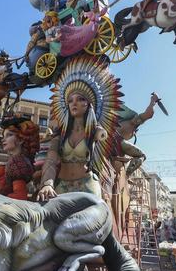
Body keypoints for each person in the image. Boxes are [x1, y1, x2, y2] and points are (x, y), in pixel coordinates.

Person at [36, 56, 122, 201]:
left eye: (80, 99)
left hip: (87, 185)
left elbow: (102, 134)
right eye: (70, 100)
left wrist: (98, 129)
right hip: (61, 187)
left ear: (89, 104)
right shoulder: (61, 135)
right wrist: (48, 183)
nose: (74, 103)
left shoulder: (94, 132)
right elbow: (51, 160)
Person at [0, 117, 40, 200]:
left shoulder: (17, 162)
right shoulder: (20, 161)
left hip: (8, 210)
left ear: (20, 140)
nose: (3, 139)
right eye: (3, 136)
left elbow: (20, 196)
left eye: (9, 135)